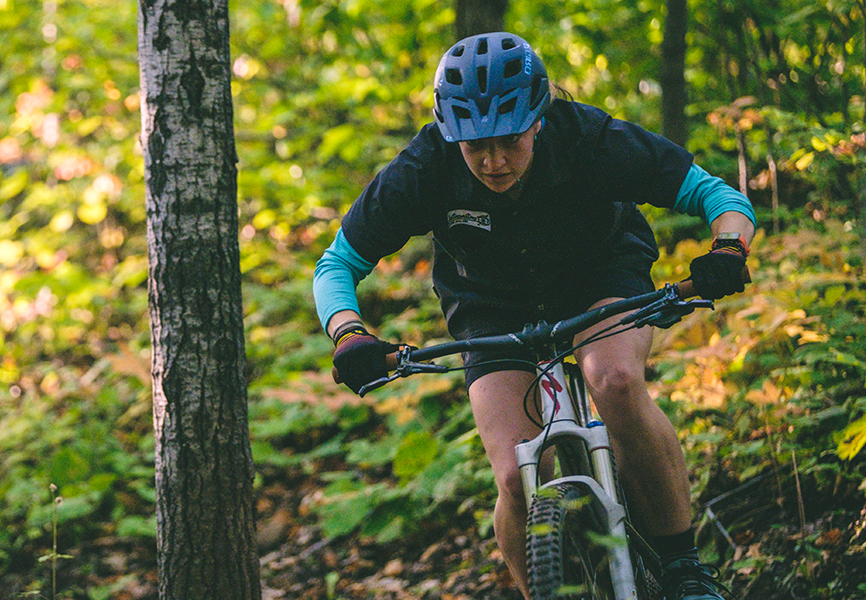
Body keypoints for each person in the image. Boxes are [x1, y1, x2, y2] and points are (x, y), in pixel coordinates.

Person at [314, 32, 752, 600]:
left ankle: (684, 566)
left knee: (614, 379)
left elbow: (719, 197)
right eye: (475, 148)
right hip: (488, 303)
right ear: (451, 135)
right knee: (516, 476)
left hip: (600, 275)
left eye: (510, 140)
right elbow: (337, 263)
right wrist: (349, 333)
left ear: (539, 119)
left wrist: (727, 250)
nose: (493, 161)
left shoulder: (589, 139)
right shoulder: (424, 167)